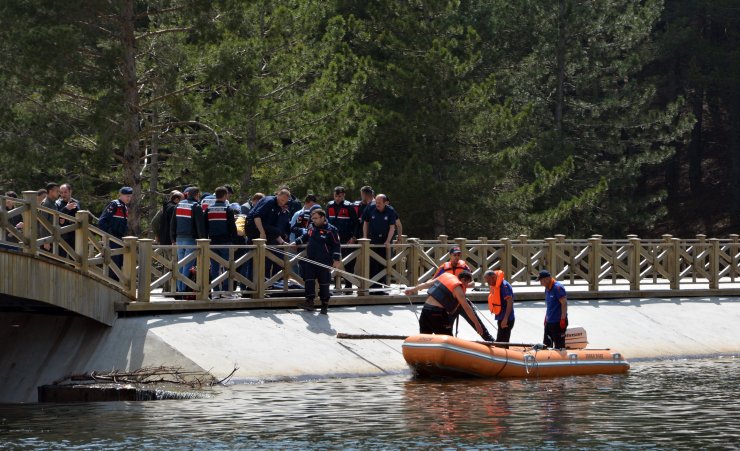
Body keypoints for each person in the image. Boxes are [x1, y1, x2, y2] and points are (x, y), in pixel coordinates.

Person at [404, 271, 492, 341]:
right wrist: (477, 323)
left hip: (425, 310)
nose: (466, 287)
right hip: (437, 314)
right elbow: (466, 307)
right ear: (463, 280)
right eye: (466, 284)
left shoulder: (445, 275)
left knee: (425, 339)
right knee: (448, 340)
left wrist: (412, 289)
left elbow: (427, 284)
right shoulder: (458, 288)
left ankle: (423, 360)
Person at [292, 209, 341, 315]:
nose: (313, 220)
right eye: (312, 218)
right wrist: (296, 242)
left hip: (324, 260)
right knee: (308, 280)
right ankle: (309, 302)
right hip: (310, 258)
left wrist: (337, 259)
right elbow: (306, 236)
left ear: (323, 217)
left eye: (316, 218)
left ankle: (324, 304)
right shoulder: (311, 226)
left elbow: (336, 245)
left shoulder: (331, 229)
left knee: (324, 282)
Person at [171, 186, 207, 294]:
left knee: (180, 265)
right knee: (187, 265)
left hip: (178, 238)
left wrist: (172, 238)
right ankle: (183, 290)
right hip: (190, 239)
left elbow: (173, 223)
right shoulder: (196, 206)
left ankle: (178, 290)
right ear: (197, 195)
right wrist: (203, 239)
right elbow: (200, 225)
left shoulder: (179, 205)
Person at [205, 186, 238, 298]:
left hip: (212, 242)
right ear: (225, 196)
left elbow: (205, 226)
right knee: (227, 267)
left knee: (214, 268)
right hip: (225, 242)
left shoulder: (208, 209)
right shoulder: (228, 209)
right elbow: (232, 227)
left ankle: (215, 292)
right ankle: (226, 291)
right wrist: (234, 241)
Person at [362, 193, 398, 294]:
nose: (377, 204)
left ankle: (381, 289)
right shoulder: (371, 208)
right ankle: (372, 288)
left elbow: (392, 228)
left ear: (385, 203)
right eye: (376, 202)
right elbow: (365, 222)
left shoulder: (390, 210)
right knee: (373, 264)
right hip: (373, 240)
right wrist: (365, 237)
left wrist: (388, 241)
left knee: (384, 264)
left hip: (385, 241)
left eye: (379, 203)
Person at [326, 186, 359, 291]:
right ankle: (336, 285)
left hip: (347, 239)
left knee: (348, 263)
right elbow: (325, 222)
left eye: (340, 196)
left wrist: (354, 237)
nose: (338, 198)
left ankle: (349, 286)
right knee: (333, 262)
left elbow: (356, 223)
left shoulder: (349, 206)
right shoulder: (329, 205)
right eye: (336, 196)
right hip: (332, 239)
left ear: (344, 195)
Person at [98, 186, 133, 281]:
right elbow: (102, 222)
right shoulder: (115, 204)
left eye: (130, 196)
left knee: (119, 264)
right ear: (120, 195)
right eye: (127, 196)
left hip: (119, 238)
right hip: (112, 238)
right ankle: (112, 285)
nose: (128, 198)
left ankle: (117, 285)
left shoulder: (124, 207)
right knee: (113, 264)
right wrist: (108, 235)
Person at [537, 269, 568, 349]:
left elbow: (564, 303)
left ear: (547, 279)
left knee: (559, 346)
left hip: (558, 322)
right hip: (549, 322)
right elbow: (549, 305)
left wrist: (563, 319)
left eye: (541, 281)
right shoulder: (547, 288)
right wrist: (546, 318)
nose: (540, 283)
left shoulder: (557, 288)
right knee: (546, 345)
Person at [484, 269, 515, 345]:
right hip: (501, 318)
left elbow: (510, 302)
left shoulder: (504, 286)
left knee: (502, 343)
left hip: (506, 319)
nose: (488, 284)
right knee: (500, 341)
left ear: (493, 277)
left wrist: (505, 319)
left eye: (488, 281)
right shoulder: (496, 286)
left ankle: (504, 356)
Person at [56, 183, 81, 257]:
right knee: (61, 258)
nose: (63, 194)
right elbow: (56, 217)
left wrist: (66, 221)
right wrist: (66, 209)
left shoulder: (76, 203)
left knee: (74, 258)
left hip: (74, 235)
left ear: (70, 192)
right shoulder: (57, 203)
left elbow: (79, 218)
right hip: (62, 235)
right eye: (61, 192)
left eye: (65, 192)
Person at [39, 182, 59, 251]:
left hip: (53, 236)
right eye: (57, 191)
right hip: (47, 239)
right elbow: (43, 223)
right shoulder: (46, 204)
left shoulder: (54, 203)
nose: (58, 193)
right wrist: (46, 241)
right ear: (51, 191)